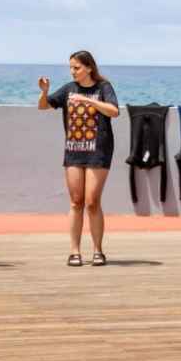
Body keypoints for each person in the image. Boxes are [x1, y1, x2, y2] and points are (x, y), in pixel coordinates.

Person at [38, 50, 120, 266]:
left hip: (98, 150)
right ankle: (74, 251)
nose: (72, 71)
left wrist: (86, 100)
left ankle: (98, 251)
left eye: (77, 67)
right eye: (71, 68)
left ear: (89, 68)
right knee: (76, 202)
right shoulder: (68, 89)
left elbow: (113, 111)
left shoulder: (103, 88)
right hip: (74, 150)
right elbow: (43, 106)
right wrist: (44, 92)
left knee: (92, 202)